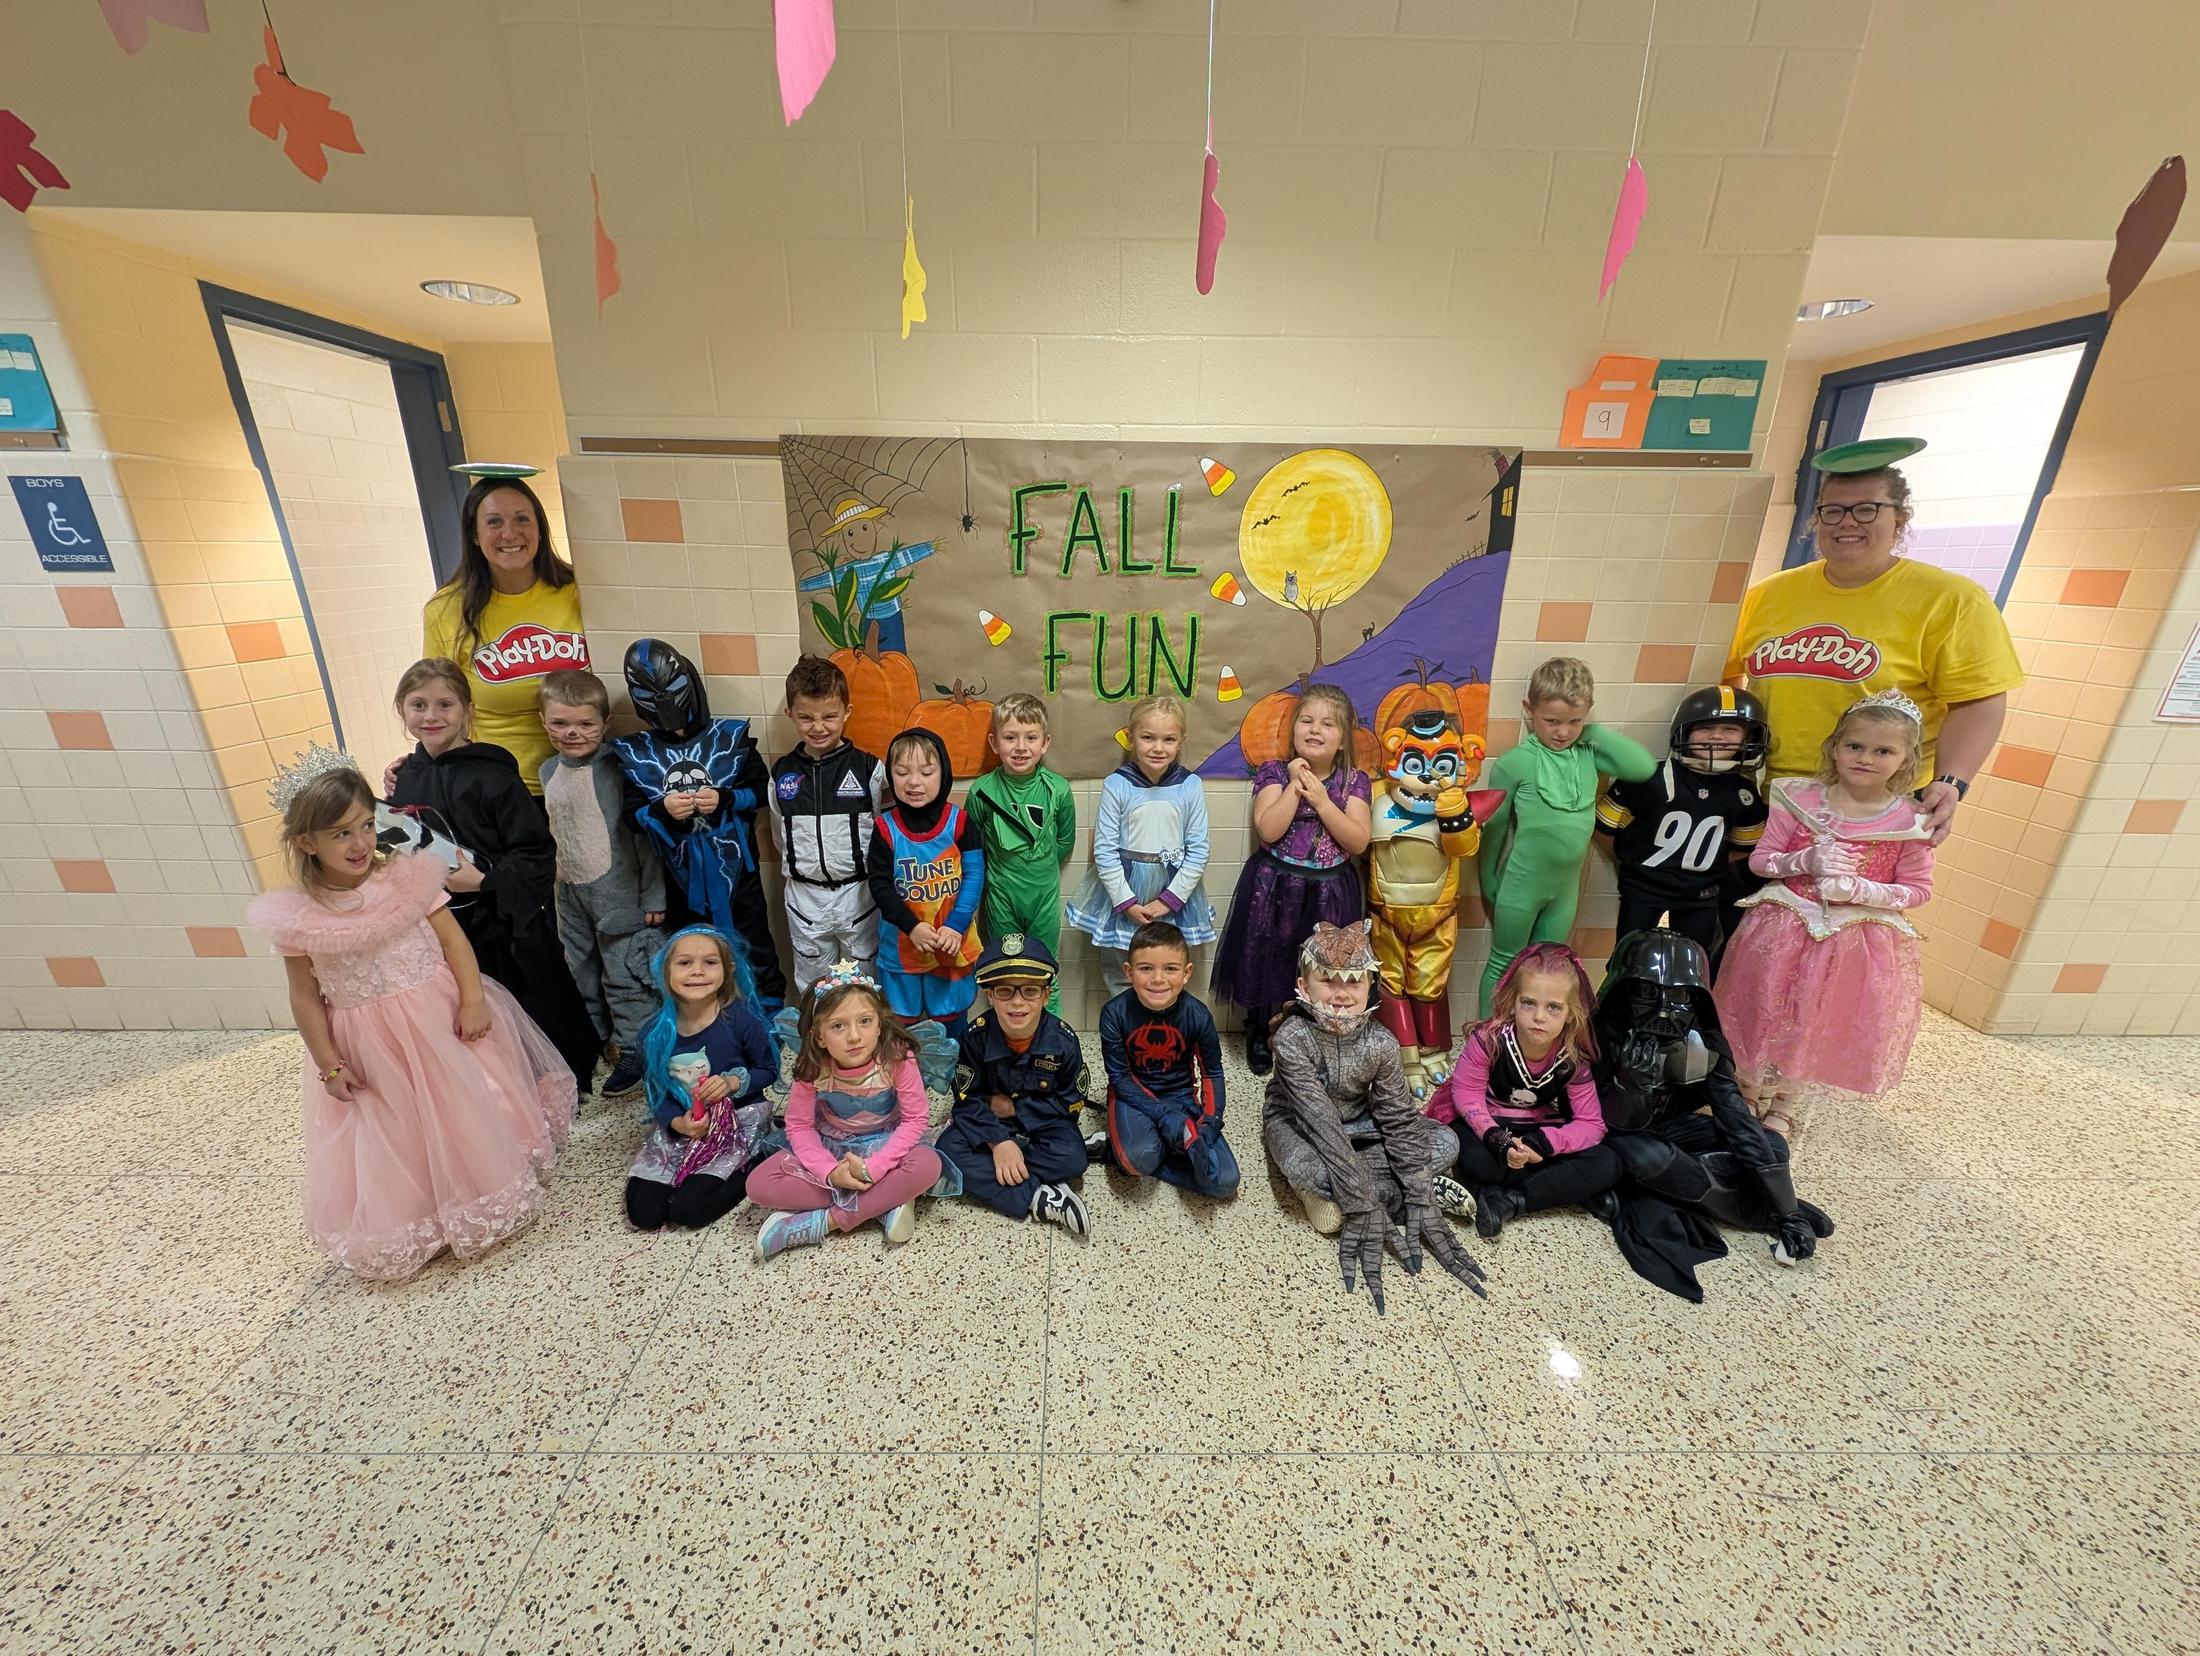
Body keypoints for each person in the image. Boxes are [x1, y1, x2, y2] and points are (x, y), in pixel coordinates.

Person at [246, 752, 574, 1281]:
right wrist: (329, 1063)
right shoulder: (300, 919)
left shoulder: (406, 879)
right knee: (396, 1124)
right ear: (306, 842)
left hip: (437, 1016)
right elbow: (305, 997)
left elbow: (454, 943)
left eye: (365, 825)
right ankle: (424, 1211)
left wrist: (473, 999)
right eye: (340, 834)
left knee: (462, 1104)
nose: (360, 843)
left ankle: (481, 1187)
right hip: (369, 1041)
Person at [1725, 442, 2024, 847]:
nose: (1846, 523)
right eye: (1832, 511)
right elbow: (1729, 682)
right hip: (1767, 797)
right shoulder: (1768, 595)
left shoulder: (1951, 599)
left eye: (1866, 509)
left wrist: (1951, 782)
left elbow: (1978, 701)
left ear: (1900, 517)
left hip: (1875, 808)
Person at [1716, 689, 1935, 1139]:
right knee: (1764, 1006)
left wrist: (1861, 889)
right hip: (1784, 922)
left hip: (1853, 939)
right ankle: (1747, 1088)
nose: (1865, 758)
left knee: (1815, 1018)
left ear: (1906, 759)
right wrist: (1803, 861)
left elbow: (1918, 891)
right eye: (1855, 745)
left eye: (1883, 751)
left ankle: (1787, 1100)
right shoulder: (1798, 797)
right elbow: (1761, 861)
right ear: (1835, 746)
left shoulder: (1911, 821)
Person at [386, 657, 600, 1090]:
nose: (431, 716)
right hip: (446, 923)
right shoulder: (405, 777)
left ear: (468, 710)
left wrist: (486, 882)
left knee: (534, 1003)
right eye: (418, 705)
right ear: (402, 711)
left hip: (504, 924)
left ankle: (559, 1080)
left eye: (445, 705)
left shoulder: (494, 776)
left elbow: (536, 851)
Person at [1594, 922, 1834, 1300]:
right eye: (1647, 992)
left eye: (1678, 996)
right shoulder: (1599, 1034)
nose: (1663, 1011)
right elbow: (1605, 1123)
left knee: (1771, 1145)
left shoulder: (1703, 1043)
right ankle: (1754, 1211)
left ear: (1697, 998)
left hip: (1674, 1128)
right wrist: (1631, 1086)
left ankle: (1749, 1198)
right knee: (1644, 1155)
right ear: (1622, 989)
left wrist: (1788, 1213)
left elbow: (1737, 1120)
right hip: (1614, 1134)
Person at [1261, 921, 1485, 1315]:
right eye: (1327, 980)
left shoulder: (1381, 1042)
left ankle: (1354, 1194)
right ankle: (1367, 1193)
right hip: (1299, 1124)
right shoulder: (1292, 1038)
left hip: (1359, 1122)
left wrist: (1420, 1197)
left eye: (1354, 982)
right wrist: (1365, 1205)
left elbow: (1398, 1118)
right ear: (1303, 986)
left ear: (1370, 987)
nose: (1342, 993)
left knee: (1446, 1141)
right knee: (1302, 1165)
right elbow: (1320, 1124)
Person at [1477, 656, 1657, 1015]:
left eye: (1574, 721)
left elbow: (1643, 767)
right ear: (1529, 710)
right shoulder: (1515, 763)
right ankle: (1481, 1039)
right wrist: (1488, 878)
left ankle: (1532, 1035)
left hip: (1565, 890)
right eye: (1552, 721)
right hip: (1521, 885)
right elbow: (1494, 826)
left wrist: (1594, 732)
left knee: (1550, 967)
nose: (1563, 732)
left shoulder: (1587, 756)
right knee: (1504, 962)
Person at [613, 637, 786, 1009]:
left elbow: (763, 790)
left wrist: (726, 799)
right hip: (680, 872)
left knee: (754, 941)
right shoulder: (637, 753)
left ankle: (767, 1015)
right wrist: (661, 809)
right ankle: (702, 1016)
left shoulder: (730, 737)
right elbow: (631, 816)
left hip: (735, 864)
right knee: (691, 948)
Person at [1212, 682, 1373, 1075]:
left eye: (1328, 725)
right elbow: (1268, 830)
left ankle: (1311, 1031)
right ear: (1293, 730)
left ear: (1342, 741)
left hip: (1331, 890)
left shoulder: (1354, 781)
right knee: (1265, 956)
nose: (1315, 729)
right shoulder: (1272, 772)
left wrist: (1321, 800)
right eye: (1307, 721)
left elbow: (1358, 841)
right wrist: (1295, 788)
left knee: (1322, 964)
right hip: (1275, 884)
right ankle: (1258, 1030)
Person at [745, 961, 956, 1260]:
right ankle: (883, 1203)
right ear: (819, 1036)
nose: (854, 1036)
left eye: (865, 1021)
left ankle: (824, 1222)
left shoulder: (897, 1056)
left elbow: (915, 1120)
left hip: (886, 1144)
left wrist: (874, 1168)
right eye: (838, 1026)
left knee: (928, 1166)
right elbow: (800, 1127)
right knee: (758, 1185)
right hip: (832, 1146)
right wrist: (830, 1173)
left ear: (880, 1023)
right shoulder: (814, 1066)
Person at [1428, 942, 1617, 1239]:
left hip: (1536, 1130)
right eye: (1528, 1003)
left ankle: (1509, 1200)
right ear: (1513, 1002)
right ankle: (1556, 1188)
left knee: (1608, 1162)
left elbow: (1591, 1123)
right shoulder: (1489, 1040)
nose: (1539, 1016)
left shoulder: (1573, 1058)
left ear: (1571, 1014)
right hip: (1489, 1123)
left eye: (1553, 1007)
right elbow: (1466, 1095)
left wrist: (1541, 1144)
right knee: (1468, 1155)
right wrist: (1499, 1141)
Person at [537, 669, 665, 1100]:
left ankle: (634, 1047)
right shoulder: (547, 770)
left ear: (605, 723)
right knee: (578, 969)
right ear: (543, 721)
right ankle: (589, 1042)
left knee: (625, 971)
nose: (572, 733)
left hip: (619, 892)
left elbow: (644, 837)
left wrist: (653, 895)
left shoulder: (619, 768)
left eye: (585, 724)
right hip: (569, 890)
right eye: (559, 723)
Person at [421, 477, 586, 793]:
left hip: (588, 780)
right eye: (494, 522)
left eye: (522, 519)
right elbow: (436, 706)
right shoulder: (445, 610)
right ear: (474, 534)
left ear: (540, 528)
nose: (509, 533)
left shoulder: (581, 591)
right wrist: (419, 764)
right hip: (499, 789)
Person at [1367, 704, 1497, 1095]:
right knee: (1390, 983)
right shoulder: (1375, 795)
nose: (1426, 776)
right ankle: (1401, 1054)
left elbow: (1464, 847)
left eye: (1440, 764)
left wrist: (1454, 809)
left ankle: (1432, 1050)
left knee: (1429, 984)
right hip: (1385, 912)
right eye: (1415, 762)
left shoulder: (1459, 804)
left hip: (1437, 915)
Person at [1596, 685, 1770, 963]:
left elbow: (1742, 847)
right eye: (1705, 727)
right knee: (1628, 960)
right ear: (1684, 731)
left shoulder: (1744, 794)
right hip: (1644, 890)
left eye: (1730, 729)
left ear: (1749, 737)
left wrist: (1703, 866)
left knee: (1691, 964)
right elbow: (1604, 828)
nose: (1717, 736)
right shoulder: (1649, 778)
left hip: (1700, 895)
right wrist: (1628, 860)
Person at [934, 933, 1092, 1236]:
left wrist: (1016, 1108)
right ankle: (1040, 1196)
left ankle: (1004, 1170)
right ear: (990, 995)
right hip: (991, 1123)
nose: (1017, 1001)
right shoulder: (974, 1038)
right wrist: (998, 1142)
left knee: (1073, 1159)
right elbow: (967, 1101)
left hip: (1044, 1124)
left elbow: (1070, 1104)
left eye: (1030, 990)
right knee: (947, 1150)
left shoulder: (1064, 1041)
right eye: (1005, 991)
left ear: (1046, 995)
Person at [622, 926, 777, 1232]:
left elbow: (768, 1070)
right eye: (684, 963)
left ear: (727, 969)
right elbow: (657, 1093)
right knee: (644, 1215)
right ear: (665, 971)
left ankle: (760, 1156)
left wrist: (733, 1084)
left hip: (736, 1123)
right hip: (684, 1125)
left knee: (689, 1211)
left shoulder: (741, 1019)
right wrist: (676, 1123)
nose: (697, 971)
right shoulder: (655, 1033)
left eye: (709, 962)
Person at [1065, 693, 1216, 972]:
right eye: (1148, 738)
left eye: (1168, 739)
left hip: (1173, 891)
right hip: (1125, 890)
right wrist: (1127, 903)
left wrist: (1169, 901)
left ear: (1181, 741)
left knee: (1166, 963)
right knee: (1121, 966)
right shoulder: (1117, 784)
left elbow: (1198, 850)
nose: (1158, 748)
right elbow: (1104, 850)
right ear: (1131, 738)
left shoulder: (1190, 785)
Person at [769, 654, 885, 996]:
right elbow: (780, 837)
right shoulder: (782, 775)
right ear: (790, 714)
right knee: (814, 988)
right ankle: (817, 1031)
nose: (818, 727)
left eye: (829, 717)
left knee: (865, 985)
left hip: (859, 896)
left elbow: (882, 831)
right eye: (806, 717)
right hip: (806, 899)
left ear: (847, 712)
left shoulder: (868, 769)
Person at [1097, 920, 1238, 1200]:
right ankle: (1165, 1145)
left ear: (1186, 973)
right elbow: (1120, 1078)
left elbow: (1212, 1073)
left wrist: (1209, 1125)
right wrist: (1165, 1117)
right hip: (1132, 1096)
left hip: (1180, 1095)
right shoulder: (1114, 1013)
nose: (1158, 979)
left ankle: (1169, 1145)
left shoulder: (1198, 1015)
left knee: (1226, 1182)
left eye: (1170, 969)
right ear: (1129, 972)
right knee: (1137, 1161)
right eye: (1146, 968)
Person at [866, 726, 985, 1040]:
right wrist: (912, 927)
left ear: (943, 773)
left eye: (926, 772)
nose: (913, 782)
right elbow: (880, 886)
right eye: (902, 772)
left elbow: (974, 876)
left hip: (952, 943)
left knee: (951, 1022)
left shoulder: (960, 822)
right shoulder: (884, 829)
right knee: (899, 1024)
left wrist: (955, 926)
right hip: (902, 946)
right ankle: (905, 1066)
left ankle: (956, 1063)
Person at [968, 692, 1078, 1012]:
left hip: (1043, 897)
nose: (1020, 747)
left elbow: (1064, 843)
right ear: (994, 743)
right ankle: (1007, 1032)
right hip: (1001, 897)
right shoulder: (982, 791)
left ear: (1045, 743)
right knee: (1004, 967)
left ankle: (1050, 1032)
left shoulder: (1058, 789)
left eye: (1030, 737)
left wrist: (1035, 867)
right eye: (1010, 738)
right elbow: (973, 848)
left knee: (1046, 969)